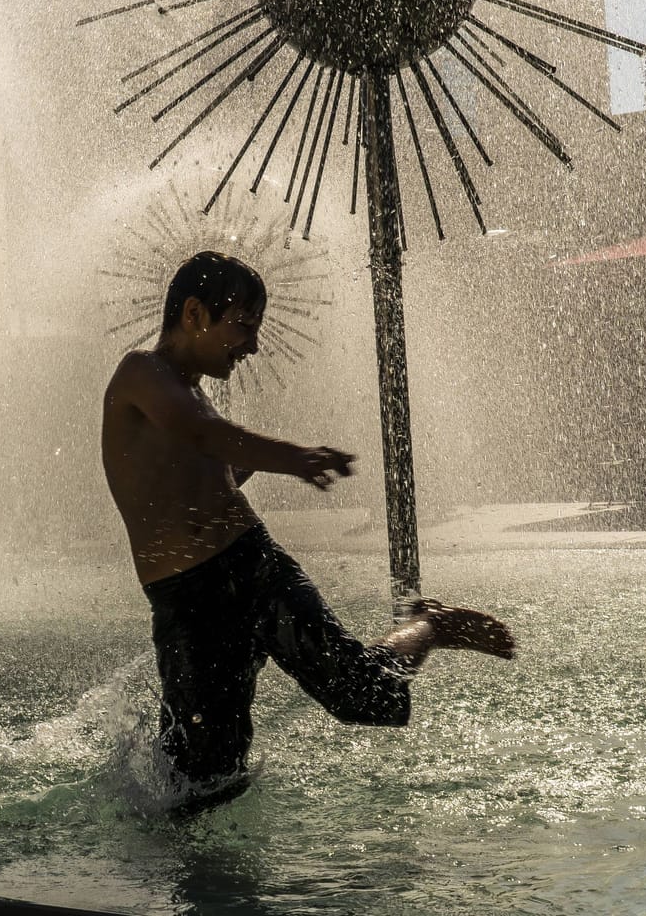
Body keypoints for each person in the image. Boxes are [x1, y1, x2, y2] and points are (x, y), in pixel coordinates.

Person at [101, 251, 516, 813]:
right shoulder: (140, 373)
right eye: (243, 327)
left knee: (364, 697)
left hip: (253, 569)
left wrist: (247, 465)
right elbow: (205, 438)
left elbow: (209, 457)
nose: (251, 346)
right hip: (185, 602)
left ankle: (427, 624)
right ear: (195, 313)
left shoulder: (192, 393)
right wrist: (291, 458)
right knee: (204, 776)